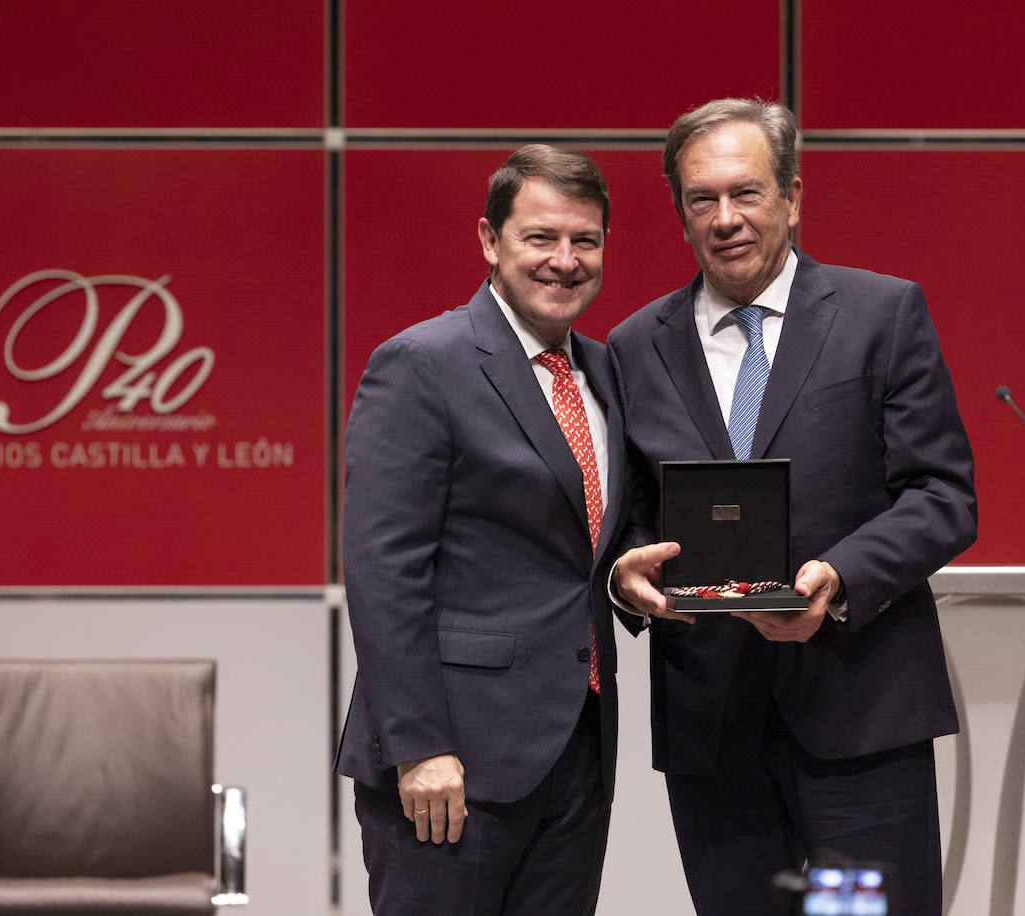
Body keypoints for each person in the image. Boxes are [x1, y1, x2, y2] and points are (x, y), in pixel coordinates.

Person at [608, 98, 977, 916]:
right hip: (712, 726)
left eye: (747, 192)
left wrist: (838, 578)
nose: (727, 218)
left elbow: (943, 495)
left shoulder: (882, 315)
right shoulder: (634, 345)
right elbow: (629, 511)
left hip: (860, 716)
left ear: (793, 198)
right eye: (702, 199)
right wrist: (625, 574)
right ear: (680, 214)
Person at [335, 144, 628, 915]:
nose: (565, 261)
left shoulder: (605, 371)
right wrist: (420, 746)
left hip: (577, 752)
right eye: (541, 238)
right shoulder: (421, 363)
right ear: (490, 242)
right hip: (449, 764)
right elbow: (381, 571)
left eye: (585, 240)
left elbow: (582, 543)